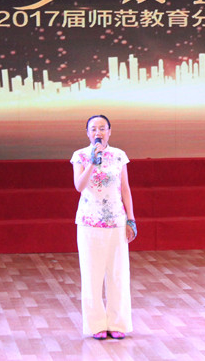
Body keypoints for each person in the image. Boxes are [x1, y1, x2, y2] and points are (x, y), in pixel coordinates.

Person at [70, 114, 137, 340]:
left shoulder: (119, 155)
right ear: (87, 133)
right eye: (93, 129)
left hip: (116, 221)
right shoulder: (80, 156)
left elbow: (125, 188)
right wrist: (92, 161)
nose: (98, 132)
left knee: (118, 274)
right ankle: (96, 325)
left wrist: (131, 219)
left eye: (102, 128)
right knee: (92, 274)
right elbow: (79, 186)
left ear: (109, 131)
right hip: (89, 221)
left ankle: (117, 323)